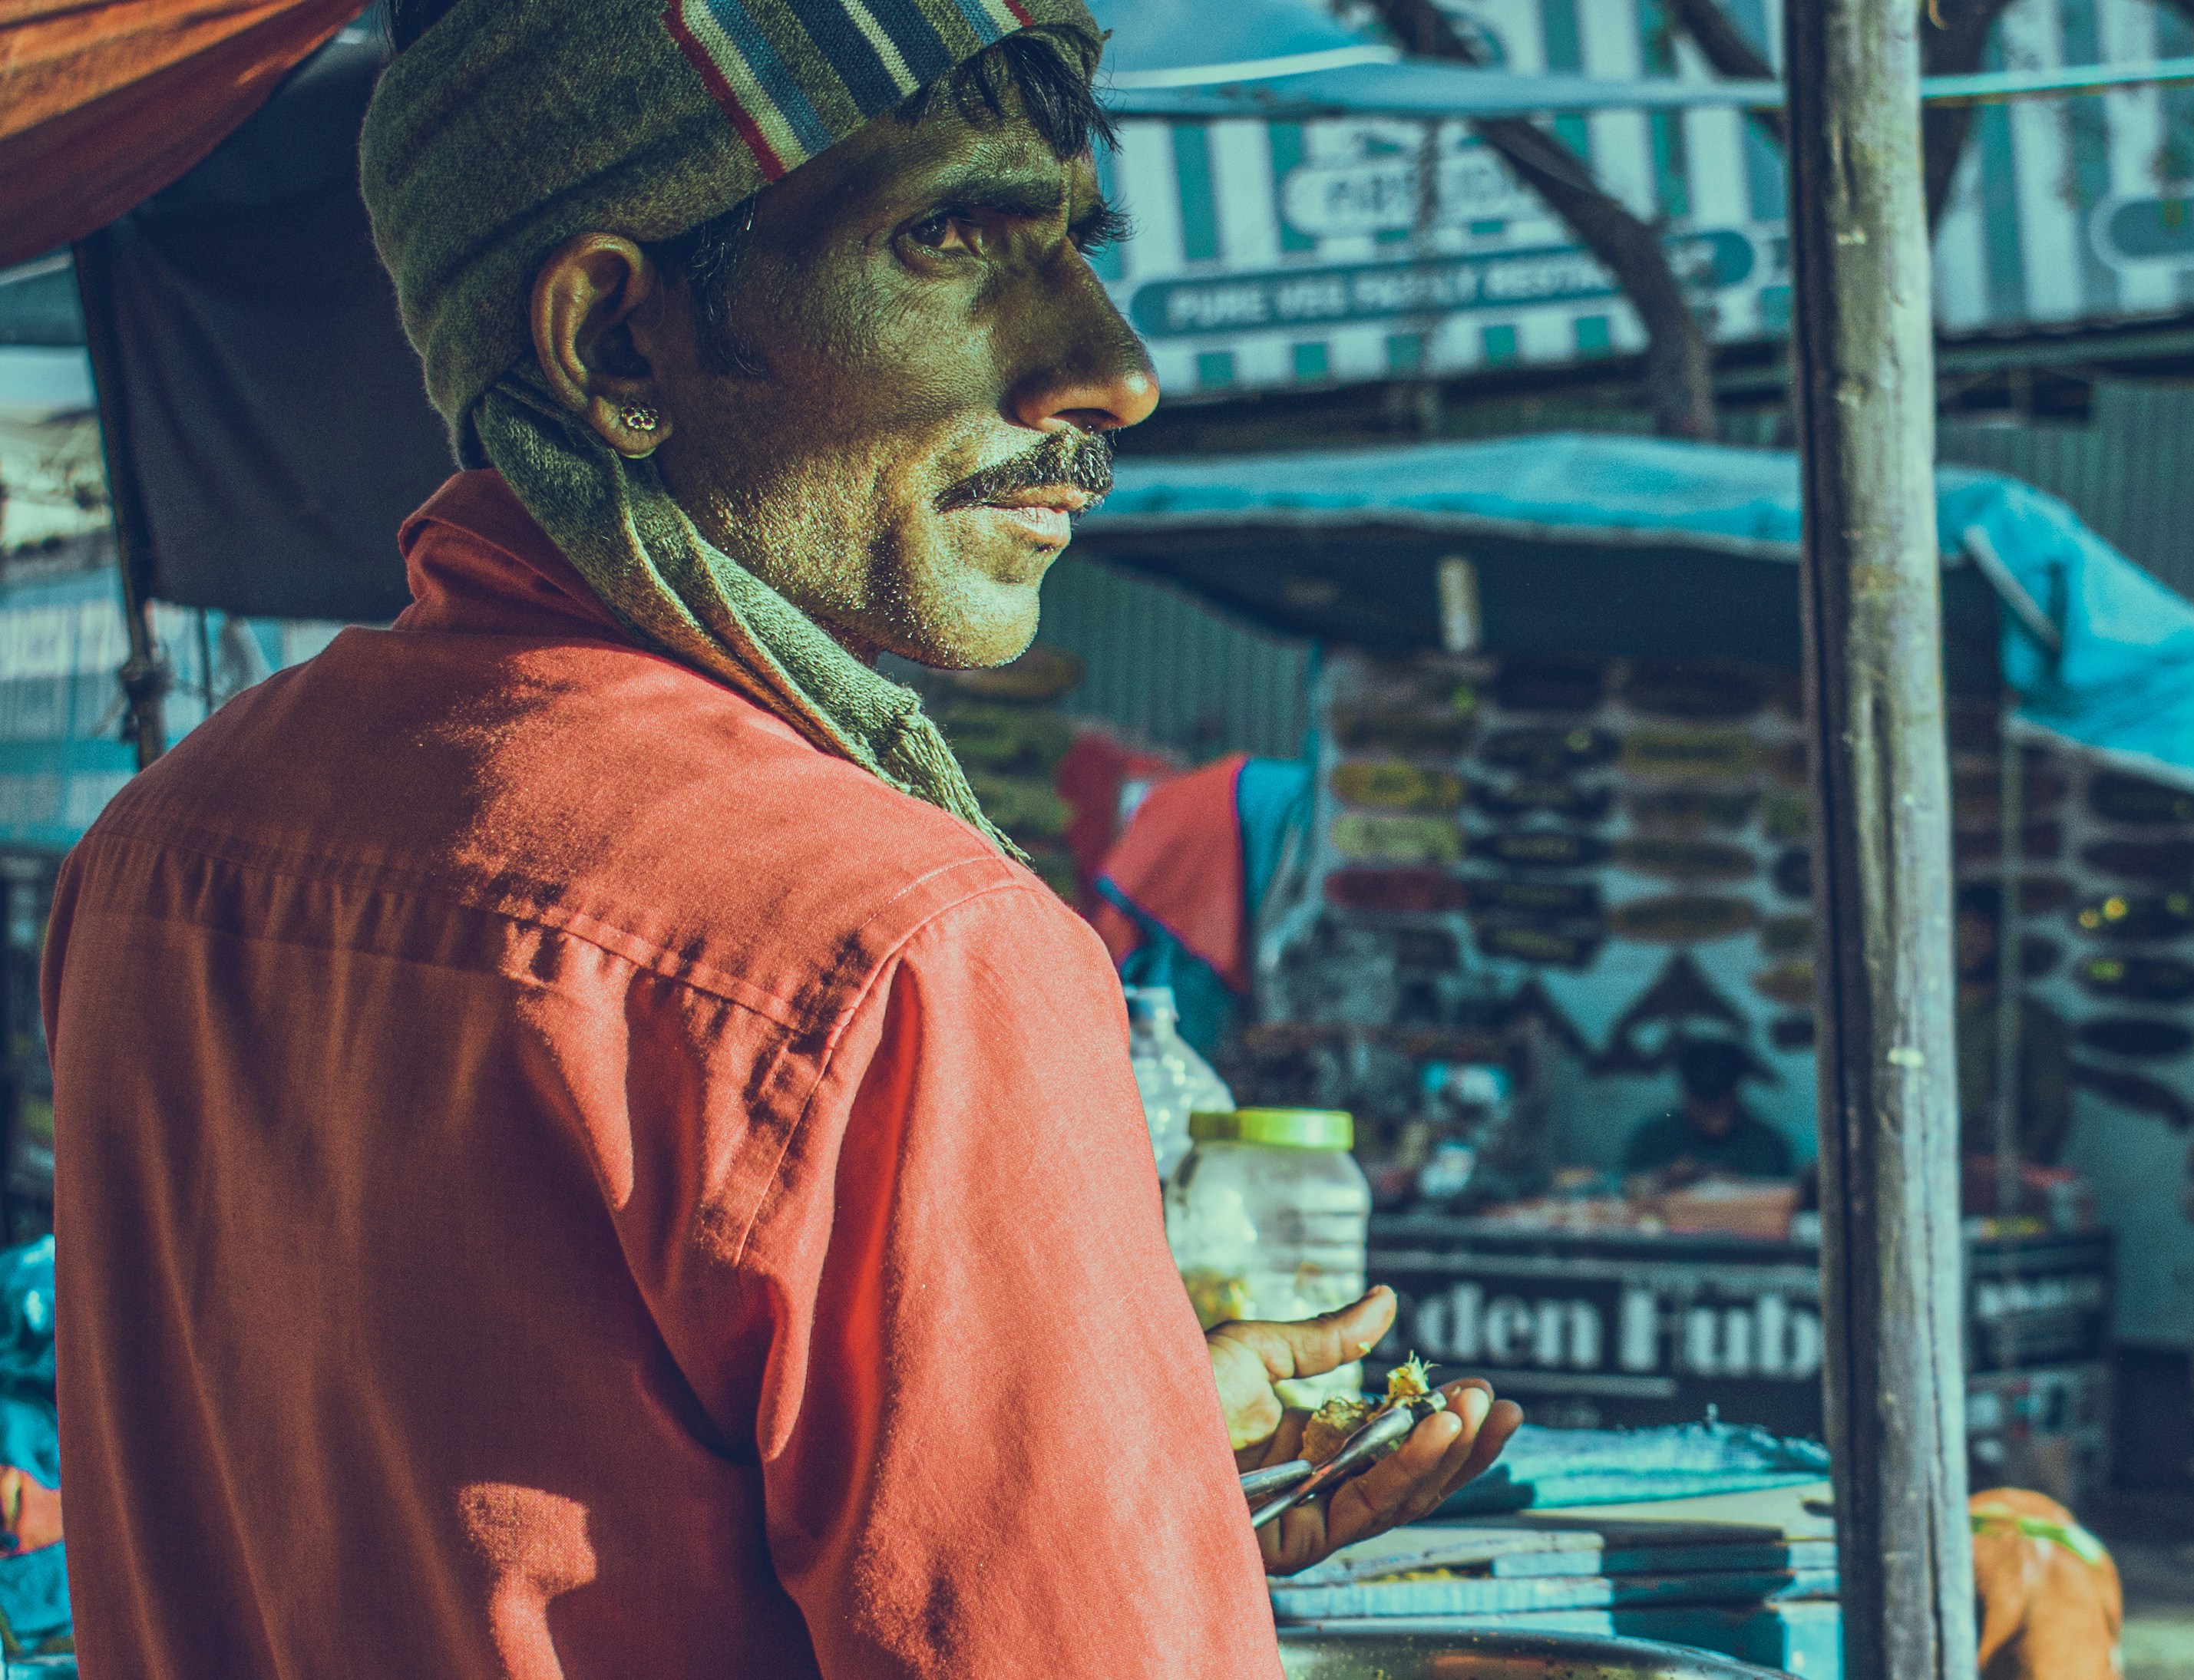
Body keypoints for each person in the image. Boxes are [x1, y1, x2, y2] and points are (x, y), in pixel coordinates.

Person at [48, 6, 1514, 1675]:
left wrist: (1123, 1478)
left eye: (1074, 245)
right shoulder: (898, 946)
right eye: (947, 239)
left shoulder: (161, 853)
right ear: (616, 341)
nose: (1111, 370)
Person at [1954, 885, 2076, 1168]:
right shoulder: (1925, 1019)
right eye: (1962, 930)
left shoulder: (2031, 1021)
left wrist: (2008, 1167)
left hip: (1994, 1177)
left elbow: (2052, 1113)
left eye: (1981, 932)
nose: (1969, 943)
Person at [1623, 1039, 1799, 1183]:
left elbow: (1785, 1197)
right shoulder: (1654, 1139)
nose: (1711, 1117)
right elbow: (1625, 1191)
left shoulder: (1766, 1144)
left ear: (1736, 1095)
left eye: (1719, 1107)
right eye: (1702, 1106)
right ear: (1685, 1094)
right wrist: (1662, 1179)